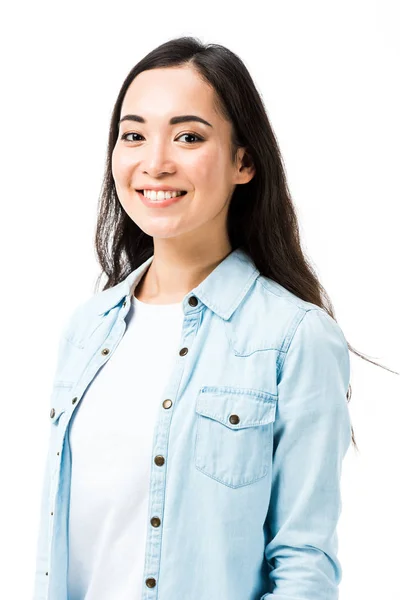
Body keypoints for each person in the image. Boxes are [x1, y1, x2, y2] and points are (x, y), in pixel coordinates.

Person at [32, 36, 389, 600]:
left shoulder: (295, 338)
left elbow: (303, 564)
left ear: (243, 161)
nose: (155, 161)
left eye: (189, 136)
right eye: (133, 135)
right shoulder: (87, 328)